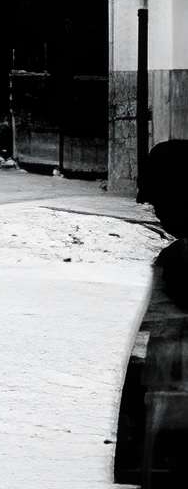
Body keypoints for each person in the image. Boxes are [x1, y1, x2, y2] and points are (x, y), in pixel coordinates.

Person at [115, 139, 188, 483]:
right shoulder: (175, 259)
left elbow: (156, 356)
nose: (148, 204)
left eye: (158, 194)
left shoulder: (180, 262)